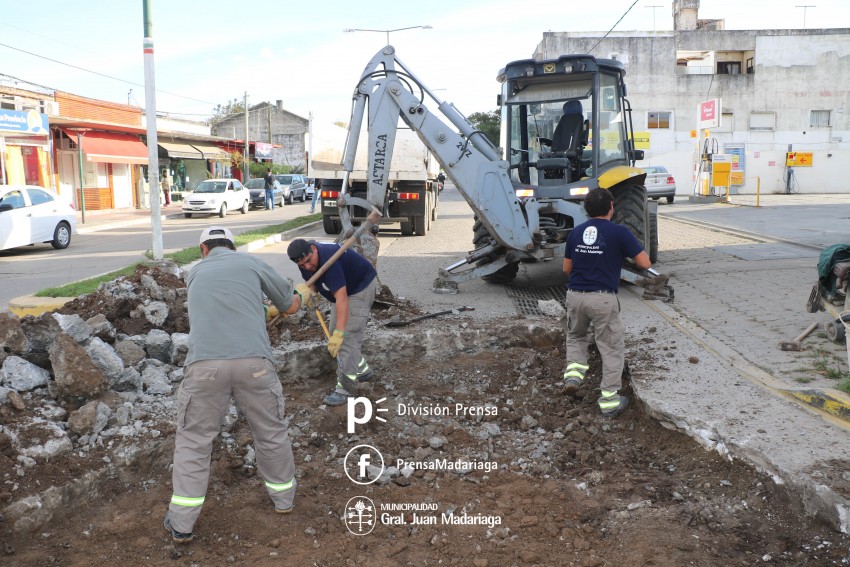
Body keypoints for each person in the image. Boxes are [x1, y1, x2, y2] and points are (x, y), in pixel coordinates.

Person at [164, 225, 312, 543]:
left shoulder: (195, 273)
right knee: (271, 433)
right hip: (254, 365)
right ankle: (284, 501)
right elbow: (290, 307)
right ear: (233, 247)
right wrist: (301, 293)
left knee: (194, 442)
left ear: (203, 250)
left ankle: (181, 524)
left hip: (205, 368)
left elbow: (220, 308)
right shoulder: (252, 264)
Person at [561, 187, 651, 418]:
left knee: (576, 335)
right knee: (610, 349)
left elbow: (566, 269)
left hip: (575, 296)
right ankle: (609, 402)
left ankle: (573, 376)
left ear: (586, 208)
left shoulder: (576, 232)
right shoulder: (619, 232)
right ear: (612, 206)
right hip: (602, 298)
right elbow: (645, 263)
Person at [287, 238, 377, 406]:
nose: (307, 266)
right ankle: (362, 371)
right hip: (345, 289)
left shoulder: (330, 260)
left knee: (346, 337)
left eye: (308, 261)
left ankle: (346, 389)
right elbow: (312, 281)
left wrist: (340, 333)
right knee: (333, 330)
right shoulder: (306, 263)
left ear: (313, 249)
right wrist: (312, 294)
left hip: (360, 287)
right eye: (302, 265)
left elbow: (341, 297)